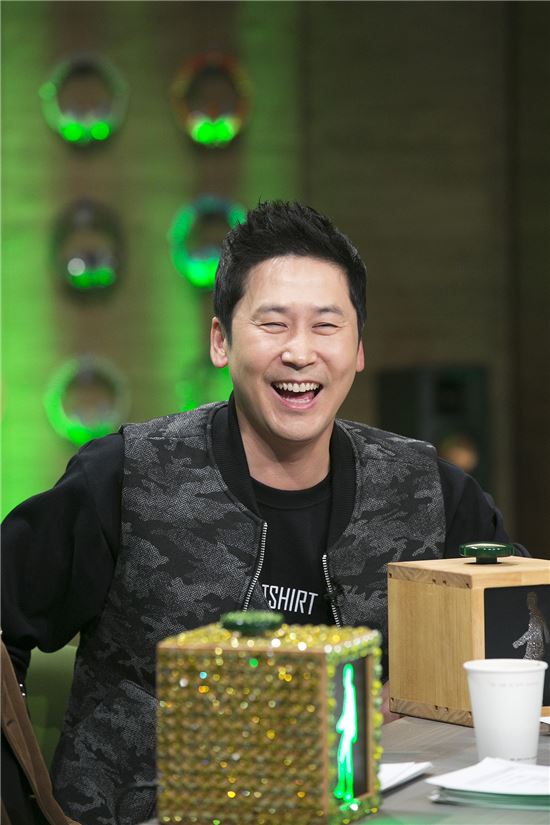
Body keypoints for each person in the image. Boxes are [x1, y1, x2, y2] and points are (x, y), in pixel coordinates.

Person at [1, 201, 522, 825]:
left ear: (358, 348)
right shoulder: (125, 477)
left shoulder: (427, 490)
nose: (300, 353)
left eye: (326, 326)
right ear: (220, 341)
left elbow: (522, 643)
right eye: (273, 324)